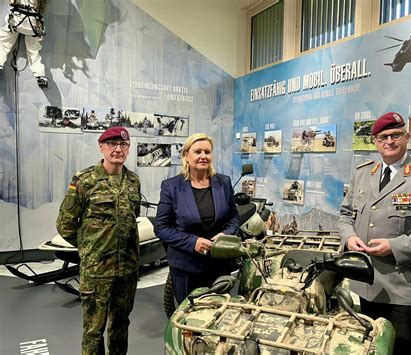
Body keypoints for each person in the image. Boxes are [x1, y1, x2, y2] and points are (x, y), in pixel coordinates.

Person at [338, 112, 411, 355]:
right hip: (365, 283)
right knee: (367, 347)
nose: (389, 141)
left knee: (403, 350)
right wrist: (349, 237)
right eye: (383, 137)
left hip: (403, 287)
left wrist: (395, 246)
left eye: (395, 135)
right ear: (376, 142)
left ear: (407, 136)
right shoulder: (362, 173)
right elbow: (345, 215)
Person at [56, 127, 141, 355]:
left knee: (121, 325)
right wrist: (90, 247)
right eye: (112, 144)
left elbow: (133, 216)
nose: (118, 149)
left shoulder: (133, 181)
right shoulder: (85, 180)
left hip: (127, 270)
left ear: (128, 149)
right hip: (97, 271)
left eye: (123, 145)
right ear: (101, 147)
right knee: (94, 330)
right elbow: (65, 223)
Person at [154, 132, 240, 303]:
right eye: (198, 152)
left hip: (219, 265)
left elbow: (234, 218)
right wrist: (193, 242)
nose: (203, 156)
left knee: (219, 314)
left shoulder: (223, 183)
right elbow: (161, 228)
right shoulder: (171, 187)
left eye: (207, 152)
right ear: (186, 156)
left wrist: (226, 235)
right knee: (189, 318)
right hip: (186, 267)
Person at [0, 0, 48, 87]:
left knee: (3, 42)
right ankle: (40, 75)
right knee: (33, 50)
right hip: (33, 23)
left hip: (17, 19)